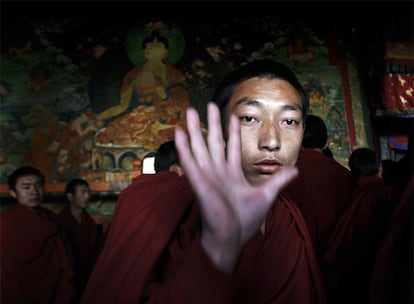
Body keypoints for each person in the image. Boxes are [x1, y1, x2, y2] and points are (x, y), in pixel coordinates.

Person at [81, 59, 326, 303]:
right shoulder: (162, 204)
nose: (272, 140)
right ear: (218, 130)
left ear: (302, 132)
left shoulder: (287, 217)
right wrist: (214, 257)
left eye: (289, 121)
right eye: (249, 118)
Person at [322, 147, 392, 304]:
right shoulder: (384, 193)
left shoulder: (350, 193)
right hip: (372, 266)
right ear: (379, 167)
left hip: (346, 268)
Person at [283, 114, 357, 261]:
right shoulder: (346, 176)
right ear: (326, 143)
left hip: (299, 262)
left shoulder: (281, 179)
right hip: (343, 262)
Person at [0, 166, 75, 304]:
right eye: (26, 187)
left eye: (38, 186)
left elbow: (64, 258)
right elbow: (9, 269)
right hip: (19, 292)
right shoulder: (6, 223)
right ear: (13, 193)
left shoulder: (52, 219)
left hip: (56, 290)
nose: (34, 192)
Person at [58, 178, 104, 303]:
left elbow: (96, 248)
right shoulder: (59, 222)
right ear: (70, 196)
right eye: (82, 193)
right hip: (68, 275)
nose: (87, 197)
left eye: (88, 193)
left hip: (87, 274)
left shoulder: (89, 222)